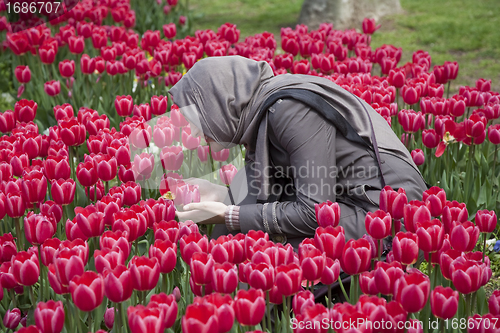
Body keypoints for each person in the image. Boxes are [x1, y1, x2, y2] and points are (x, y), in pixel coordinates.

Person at [169, 56, 428, 248]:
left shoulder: (289, 110)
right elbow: (271, 192)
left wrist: (229, 213)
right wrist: (223, 196)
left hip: (383, 208)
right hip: (345, 199)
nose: (193, 131)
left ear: (219, 103)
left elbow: (314, 212)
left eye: (196, 115)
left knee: (269, 253)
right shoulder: (260, 112)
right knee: (241, 229)